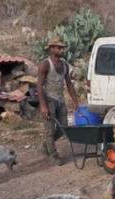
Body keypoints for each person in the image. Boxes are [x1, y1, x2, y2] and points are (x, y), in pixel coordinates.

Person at [37, 35, 80, 166]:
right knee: (49, 130)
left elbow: (69, 83)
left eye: (62, 48)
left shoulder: (64, 65)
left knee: (63, 128)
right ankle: (53, 155)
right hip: (49, 99)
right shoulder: (45, 65)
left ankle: (45, 145)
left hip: (60, 100)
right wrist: (43, 106)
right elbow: (39, 86)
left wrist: (75, 101)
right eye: (59, 48)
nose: (62, 50)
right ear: (51, 49)